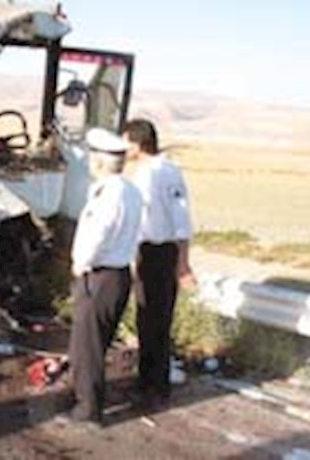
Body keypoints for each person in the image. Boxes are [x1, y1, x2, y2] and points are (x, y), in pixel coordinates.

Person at [62, 127, 143, 427]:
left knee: (87, 348)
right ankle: (88, 399)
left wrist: (80, 263)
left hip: (99, 275)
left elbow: (97, 234)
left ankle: (88, 410)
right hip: (118, 273)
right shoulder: (130, 191)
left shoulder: (108, 194)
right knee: (97, 342)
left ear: (97, 160)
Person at [123, 118, 195, 407]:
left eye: (126, 141)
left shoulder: (166, 172)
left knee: (158, 320)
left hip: (162, 252)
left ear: (138, 143)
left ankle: (157, 386)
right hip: (145, 250)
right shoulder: (141, 173)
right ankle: (146, 382)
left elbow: (181, 221)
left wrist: (183, 263)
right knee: (145, 318)